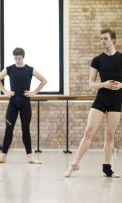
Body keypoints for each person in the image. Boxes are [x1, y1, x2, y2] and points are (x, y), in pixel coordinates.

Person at [65, 29, 122, 178]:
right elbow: (91, 83)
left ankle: (107, 168)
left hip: (116, 101)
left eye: (105, 38)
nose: (102, 41)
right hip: (101, 100)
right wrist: (103, 84)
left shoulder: (121, 58)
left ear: (113, 40)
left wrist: (121, 85)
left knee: (109, 136)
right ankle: (75, 164)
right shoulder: (97, 60)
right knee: (89, 132)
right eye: (101, 39)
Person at [0, 48, 47, 164]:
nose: (17, 60)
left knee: (25, 129)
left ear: (23, 57)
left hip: (25, 103)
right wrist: (5, 91)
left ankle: (30, 156)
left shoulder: (29, 69)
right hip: (13, 103)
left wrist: (34, 92)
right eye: (15, 58)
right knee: (8, 129)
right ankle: (3, 156)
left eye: (19, 58)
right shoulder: (10, 69)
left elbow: (44, 80)